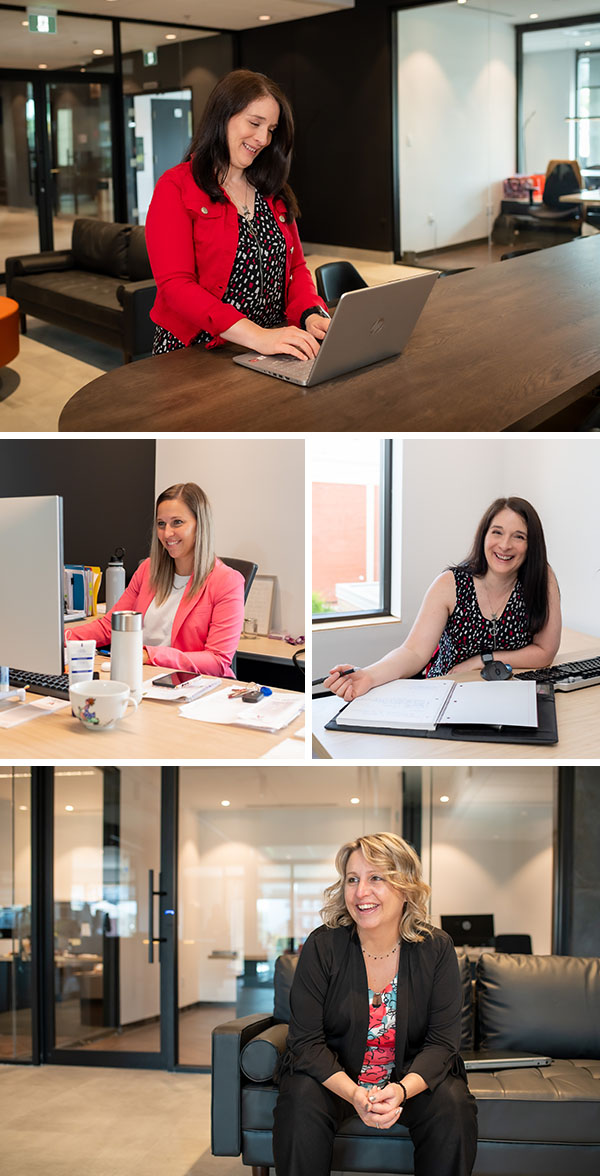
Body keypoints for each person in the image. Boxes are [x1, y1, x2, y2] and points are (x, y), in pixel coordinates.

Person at [273, 832, 478, 1176]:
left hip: (406, 1080)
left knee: (452, 1105)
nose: (360, 892)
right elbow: (305, 1042)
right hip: (336, 1080)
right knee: (299, 1099)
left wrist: (399, 1090)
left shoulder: (436, 948)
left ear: (405, 887)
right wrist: (355, 1094)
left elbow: (443, 1044)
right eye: (352, 879)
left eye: (376, 878)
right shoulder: (323, 946)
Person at [145, 69, 331, 361]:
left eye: (270, 129)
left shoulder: (270, 190)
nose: (262, 139)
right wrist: (257, 336)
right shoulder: (175, 187)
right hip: (196, 354)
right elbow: (176, 286)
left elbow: (296, 268)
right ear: (223, 116)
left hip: (269, 347)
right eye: (255, 123)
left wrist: (310, 312)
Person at [324, 496, 562, 701]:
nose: (505, 545)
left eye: (519, 536)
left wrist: (481, 660)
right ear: (483, 536)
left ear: (532, 545)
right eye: (497, 532)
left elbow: (545, 652)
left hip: (509, 694)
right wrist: (369, 675)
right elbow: (413, 652)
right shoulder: (450, 584)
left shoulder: (542, 578)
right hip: (445, 691)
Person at [65, 482, 244, 677]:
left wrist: (148, 655)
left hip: (192, 687)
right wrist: (61, 639)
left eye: (177, 522)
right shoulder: (148, 570)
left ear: (199, 525)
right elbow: (110, 625)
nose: (167, 533)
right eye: (161, 524)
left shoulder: (227, 581)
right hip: (142, 677)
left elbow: (217, 661)